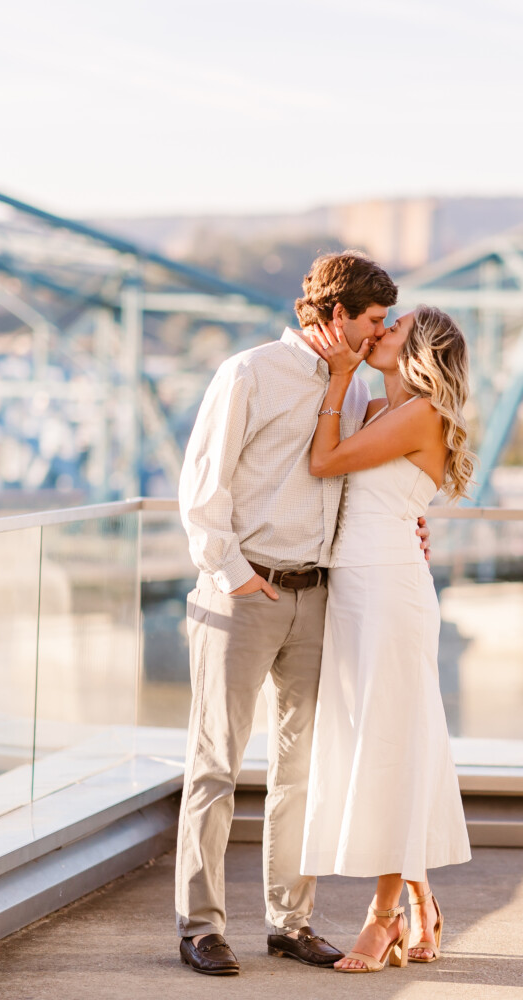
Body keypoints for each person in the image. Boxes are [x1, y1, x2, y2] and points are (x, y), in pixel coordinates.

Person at [174, 251, 429, 977]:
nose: (382, 335)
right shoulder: (248, 374)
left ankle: (291, 923)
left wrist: (408, 522)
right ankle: (201, 925)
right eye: (374, 321)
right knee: (215, 764)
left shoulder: (354, 389)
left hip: (320, 594)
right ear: (334, 315)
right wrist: (233, 575)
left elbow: (362, 479)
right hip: (245, 592)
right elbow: (202, 487)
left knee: (302, 770)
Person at [298, 305, 474, 973]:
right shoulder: (377, 407)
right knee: (380, 739)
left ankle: (383, 917)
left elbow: (326, 462)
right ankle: (423, 899)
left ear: (416, 349)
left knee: (392, 741)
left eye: (391, 329)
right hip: (352, 587)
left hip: (391, 590)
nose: (377, 335)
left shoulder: (422, 412)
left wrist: (339, 376)